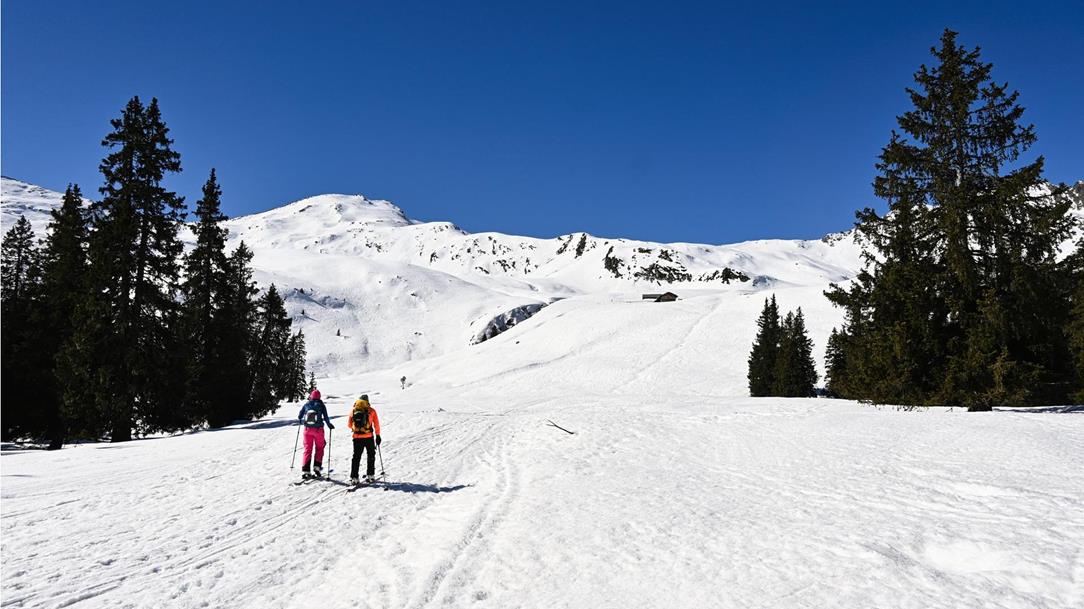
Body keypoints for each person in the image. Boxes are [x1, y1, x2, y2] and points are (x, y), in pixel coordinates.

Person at [297, 389, 334, 478]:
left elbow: (299, 416)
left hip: (307, 430)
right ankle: (317, 467)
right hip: (318, 430)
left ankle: (306, 470)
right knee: (320, 447)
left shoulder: (307, 404)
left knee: (307, 449)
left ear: (311, 396)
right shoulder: (321, 405)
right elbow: (325, 417)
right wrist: (329, 425)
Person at [348, 394, 382, 485]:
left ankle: (354, 477)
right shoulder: (371, 411)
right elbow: (376, 424)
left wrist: (357, 429)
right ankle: (370, 475)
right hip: (368, 437)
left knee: (356, 457)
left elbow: (349, 425)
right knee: (371, 455)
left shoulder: (354, 410)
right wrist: (378, 435)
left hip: (356, 438)